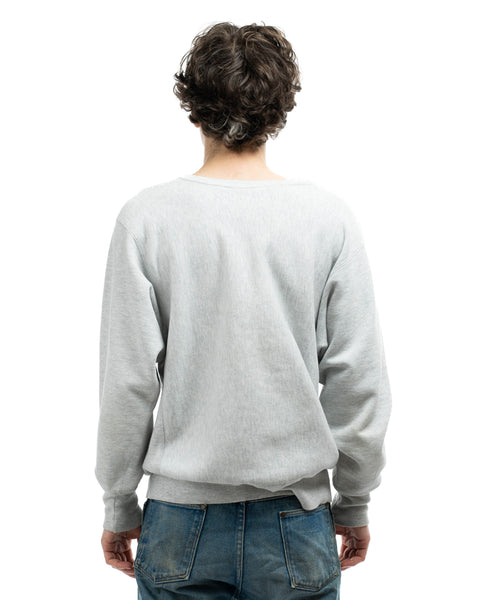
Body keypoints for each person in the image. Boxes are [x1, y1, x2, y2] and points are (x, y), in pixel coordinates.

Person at [95, 21, 392, 599]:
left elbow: (128, 383)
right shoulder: (327, 220)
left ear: (193, 109)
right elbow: (358, 381)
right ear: (279, 112)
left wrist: (118, 501)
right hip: (296, 520)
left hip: (178, 522)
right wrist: (354, 499)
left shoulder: (146, 219)